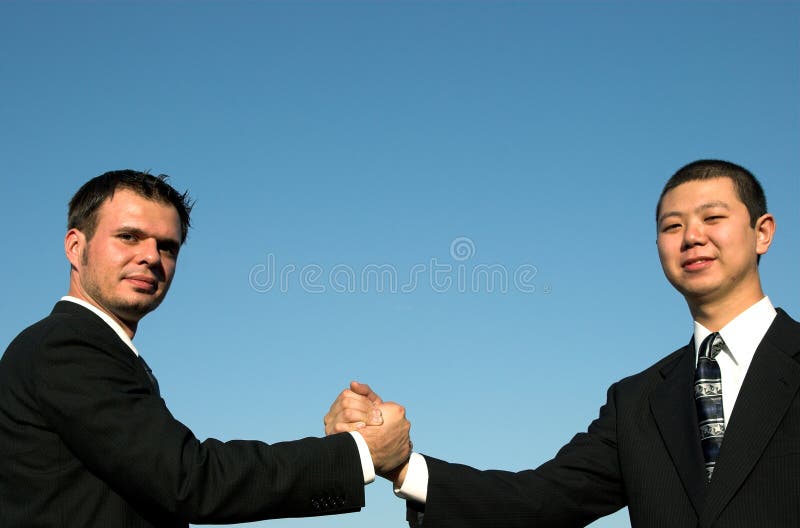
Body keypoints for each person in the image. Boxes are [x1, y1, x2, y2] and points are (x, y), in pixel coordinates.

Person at [326, 159, 799, 527]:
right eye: (671, 226)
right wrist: (403, 465)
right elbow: (542, 501)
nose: (692, 236)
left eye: (712, 217)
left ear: (763, 232)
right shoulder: (637, 402)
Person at [0, 170, 411, 527]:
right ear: (76, 246)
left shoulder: (98, 349)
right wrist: (358, 453)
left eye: (168, 246)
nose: (151, 257)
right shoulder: (68, 344)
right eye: (129, 237)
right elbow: (188, 479)